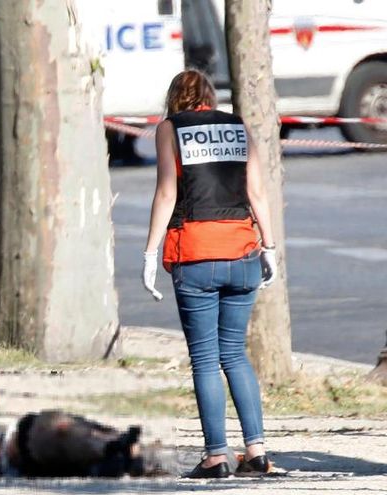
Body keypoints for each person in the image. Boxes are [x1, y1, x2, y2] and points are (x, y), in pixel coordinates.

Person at [142, 69, 278, 478]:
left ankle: (217, 456)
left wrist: (150, 252)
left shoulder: (171, 129)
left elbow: (167, 191)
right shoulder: (238, 127)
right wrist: (269, 246)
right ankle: (256, 452)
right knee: (235, 354)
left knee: (204, 359)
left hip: (195, 254)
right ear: (209, 96)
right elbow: (256, 192)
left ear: (175, 98)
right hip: (243, 252)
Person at [0, 382, 175, 477]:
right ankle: (120, 451)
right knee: (65, 430)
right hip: (31, 442)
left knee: (80, 431)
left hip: (40, 446)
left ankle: (121, 452)